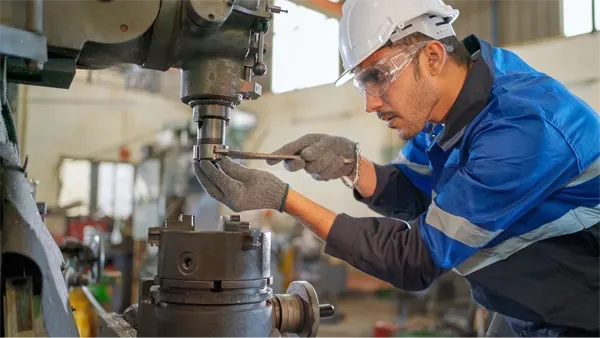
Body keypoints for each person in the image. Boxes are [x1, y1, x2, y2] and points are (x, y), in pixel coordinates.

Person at [193, 0, 600, 336]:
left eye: (378, 76)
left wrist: (284, 199)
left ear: (434, 56)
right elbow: (410, 190)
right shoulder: (449, 107)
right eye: (361, 83)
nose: (370, 103)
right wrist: (351, 166)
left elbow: (415, 259)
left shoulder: (524, 131)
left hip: (580, 313)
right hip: (526, 306)